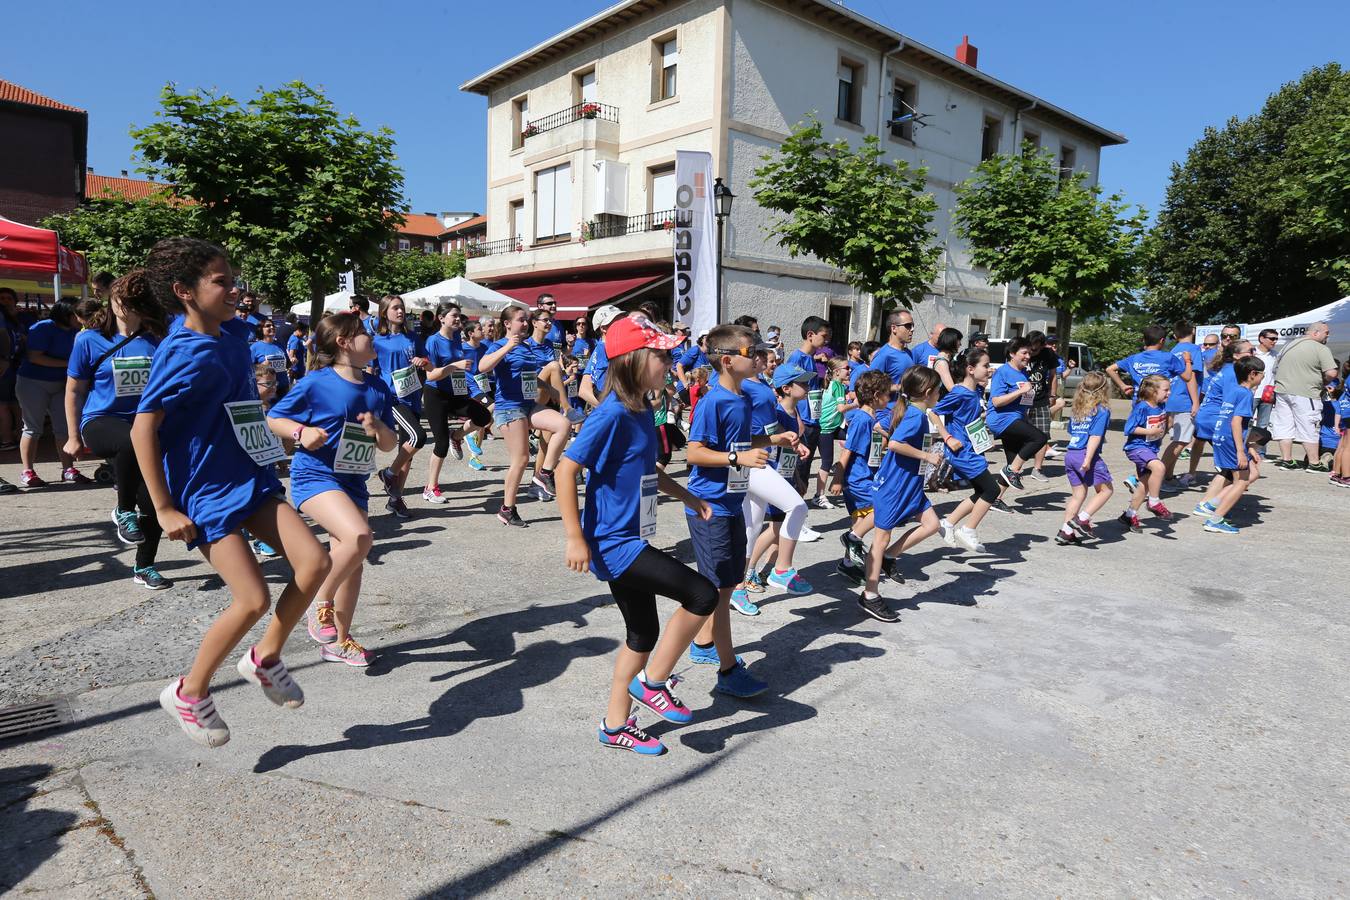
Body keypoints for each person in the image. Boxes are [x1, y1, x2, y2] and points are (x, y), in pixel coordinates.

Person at [133, 237, 330, 748]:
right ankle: (189, 692)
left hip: (250, 476)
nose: (234, 288)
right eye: (220, 281)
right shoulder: (182, 352)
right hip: (205, 491)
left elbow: (243, 408)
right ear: (184, 292)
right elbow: (141, 429)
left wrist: (281, 432)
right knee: (251, 597)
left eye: (232, 278)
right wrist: (162, 508)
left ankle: (265, 657)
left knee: (315, 563)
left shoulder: (233, 334)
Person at [555, 316, 719, 755]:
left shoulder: (643, 410)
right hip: (613, 543)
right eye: (661, 355)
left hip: (633, 538)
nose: (670, 362)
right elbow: (566, 469)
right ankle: (655, 682)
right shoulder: (610, 414)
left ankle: (614, 726)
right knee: (703, 595)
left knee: (641, 635)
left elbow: (649, 470)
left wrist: (687, 496)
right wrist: (575, 536)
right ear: (631, 361)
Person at [267, 312, 398, 666]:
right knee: (360, 537)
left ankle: (339, 641)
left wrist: (378, 428)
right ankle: (319, 602)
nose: (371, 337)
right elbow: (273, 417)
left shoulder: (377, 387)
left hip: (353, 481)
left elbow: (388, 445)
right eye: (362, 333)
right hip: (316, 477)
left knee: (353, 563)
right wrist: (300, 433)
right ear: (343, 342)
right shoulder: (316, 383)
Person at [684, 323, 792, 699]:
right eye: (753, 353)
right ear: (728, 361)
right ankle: (725, 669)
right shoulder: (713, 401)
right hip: (709, 507)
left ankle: (704, 646)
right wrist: (737, 457)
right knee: (715, 591)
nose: (761, 358)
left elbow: (742, 443)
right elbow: (694, 452)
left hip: (731, 502)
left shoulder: (744, 397)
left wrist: (772, 439)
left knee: (725, 587)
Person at [63, 270, 169, 586]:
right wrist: (72, 436)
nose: (122, 306)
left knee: (153, 501)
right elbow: (73, 390)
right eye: (117, 300)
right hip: (100, 421)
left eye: (130, 302)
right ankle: (123, 510)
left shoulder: (155, 340)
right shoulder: (89, 339)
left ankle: (143, 567)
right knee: (130, 442)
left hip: (144, 425)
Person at [862, 366, 949, 622]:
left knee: (932, 524)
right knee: (880, 539)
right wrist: (926, 456)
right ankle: (869, 595)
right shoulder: (914, 416)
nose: (940, 393)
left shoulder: (917, 413)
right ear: (928, 392)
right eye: (938, 390)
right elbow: (895, 444)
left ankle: (890, 557)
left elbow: (885, 429)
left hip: (911, 485)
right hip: (894, 486)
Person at [478, 305, 571, 526]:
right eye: (521, 320)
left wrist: (548, 388)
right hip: (509, 408)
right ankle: (507, 509)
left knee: (563, 425)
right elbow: (482, 367)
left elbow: (528, 375)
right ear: (508, 324)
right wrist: (508, 346)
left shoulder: (527, 347)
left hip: (529, 405)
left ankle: (544, 474)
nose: (525, 323)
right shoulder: (499, 344)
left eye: (526, 320)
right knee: (520, 460)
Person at [733, 355, 812, 610]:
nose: (765, 359)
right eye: (753, 353)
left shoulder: (759, 389)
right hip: (752, 462)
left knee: (752, 527)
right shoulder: (746, 388)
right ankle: (781, 569)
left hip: (755, 460)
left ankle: (738, 588)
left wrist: (790, 444)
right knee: (798, 507)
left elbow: (769, 434)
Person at [421, 302, 494, 503]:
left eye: (459, 316)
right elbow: (431, 375)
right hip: (435, 394)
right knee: (441, 443)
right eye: (453, 315)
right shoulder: (433, 341)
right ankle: (430, 488)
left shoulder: (456, 340)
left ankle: (458, 436)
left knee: (483, 416)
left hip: (455, 393)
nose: (457, 319)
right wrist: (455, 366)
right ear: (441, 318)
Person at [17, 300, 89, 487]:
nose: (79, 319)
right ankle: (28, 471)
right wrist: (70, 365)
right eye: (76, 315)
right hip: (33, 382)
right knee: (32, 428)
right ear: (65, 315)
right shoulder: (42, 328)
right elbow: (35, 357)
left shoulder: (77, 331)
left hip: (62, 385)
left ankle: (68, 469)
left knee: (64, 429)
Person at [933, 348, 999, 552]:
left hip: (973, 448)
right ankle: (968, 529)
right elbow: (933, 412)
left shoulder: (975, 391)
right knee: (992, 489)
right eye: (985, 366)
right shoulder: (959, 393)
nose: (990, 369)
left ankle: (948, 523)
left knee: (982, 490)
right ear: (970, 369)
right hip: (960, 450)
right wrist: (948, 437)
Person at [371, 295, 430, 519]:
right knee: (419, 437)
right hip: (393, 398)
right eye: (395, 308)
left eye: (402, 308)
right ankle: (388, 473)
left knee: (407, 452)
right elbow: (370, 371)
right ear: (384, 312)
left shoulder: (412, 337)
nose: (400, 311)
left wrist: (422, 361)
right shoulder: (377, 341)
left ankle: (395, 500)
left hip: (413, 395)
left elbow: (425, 359)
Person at [832, 369, 891, 583]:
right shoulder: (860, 420)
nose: (889, 397)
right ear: (876, 396)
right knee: (882, 507)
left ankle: (848, 564)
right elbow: (847, 451)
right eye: (886, 393)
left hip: (868, 476)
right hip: (858, 480)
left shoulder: (870, 419)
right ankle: (852, 540)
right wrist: (838, 478)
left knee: (859, 521)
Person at [1198, 356, 1266, 534]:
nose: (1263, 377)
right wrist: (1240, 451)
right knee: (1242, 481)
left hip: (1221, 436)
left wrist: (1248, 446)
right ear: (1253, 374)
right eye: (1262, 374)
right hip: (1230, 440)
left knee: (1240, 478)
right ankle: (1215, 519)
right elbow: (1236, 423)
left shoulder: (1234, 391)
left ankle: (1213, 507)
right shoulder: (1245, 394)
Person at [1055, 372, 1114, 545]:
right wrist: (1088, 459)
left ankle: (1066, 531)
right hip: (1085, 454)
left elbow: (1072, 432)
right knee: (1106, 490)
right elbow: (1095, 436)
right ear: (1103, 390)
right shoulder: (1102, 411)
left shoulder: (1077, 409)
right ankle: (1082, 519)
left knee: (1078, 494)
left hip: (1071, 454)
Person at [1271, 322, 1337, 471]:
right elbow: (1332, 373)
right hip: (1306, 393)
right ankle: (1314, 463)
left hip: (1282, 390)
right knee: (1309, 426)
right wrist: (1324, 381)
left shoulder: (1289, 345)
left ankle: (1286, 460)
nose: (1328, 335)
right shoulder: (1321, 348)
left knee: (1284, 426)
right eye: (1326, 332)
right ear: (1315, 333)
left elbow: (1275, 367)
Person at [985, 337, 1047, 494]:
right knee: (1039, 438)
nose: (1028, 356)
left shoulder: (1024, 373)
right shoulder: (1003, 372)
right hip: (1001, 419)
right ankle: (1011, 470)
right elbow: (997, 401)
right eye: (1024, 353)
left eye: (1029, 353)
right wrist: (1020, 391)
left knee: (1013, 463)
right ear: (1012, 353)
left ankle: (995, 498)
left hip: (1015, 419)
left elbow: (1022, 401)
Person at [1189, 340, 1254, 486]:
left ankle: (1213, 495)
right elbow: (1230, 402)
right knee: (1241, 469)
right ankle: (1215, 501)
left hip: (1207, 418)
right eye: (1250, 351)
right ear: (1236, 355)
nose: (1253, 353)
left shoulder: (1229, 368)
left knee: (1233, 467)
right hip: (1214, 419)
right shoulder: (1233, 373)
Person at [786, 315, 833, 507]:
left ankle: (798, 511)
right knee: (797, 468)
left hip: (813, 419)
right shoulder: (797, 358)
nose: (827, 340)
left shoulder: (811, 359)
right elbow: (787, 391)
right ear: (810, 335)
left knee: (804, 469)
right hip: (802, 421)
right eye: (824, 335)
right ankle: (791, 510)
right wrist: (797, 418)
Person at [1118, 375, 1173, 533]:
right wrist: (1150, 431)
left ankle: (1129, 515)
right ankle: (1154, 502)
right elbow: (1129, 428)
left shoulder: (1161, 406)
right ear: (1152, 391)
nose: (1169, 393)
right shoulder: (1142, 407)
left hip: (1151, 449)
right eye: (1166, 390)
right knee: (1159, 468)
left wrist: (1167, 425)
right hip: (1136, 447)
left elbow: (1161, 425)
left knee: (1144, 484)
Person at [1161, 322, 1203, 487]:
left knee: (1177, 439)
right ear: (1193, 331)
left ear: (1175, 335)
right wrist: (1195, 402)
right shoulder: (1193, 349)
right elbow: (1191, 375)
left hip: (1172, 398)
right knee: (1181, 441)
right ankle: (1155, 476)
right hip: (1185, 399)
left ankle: (1168, 476)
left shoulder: (1173, 350)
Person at [578, 305, 624, 409]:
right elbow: (589, 390)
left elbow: (583, 391)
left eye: (622, 320)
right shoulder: (605, 349)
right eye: (616, 322)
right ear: (603, 328)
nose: (622, 324)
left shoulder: (601, 347)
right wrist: (607, 410)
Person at [869, 310, 918, 393]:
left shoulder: (908, 353)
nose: (912, 329)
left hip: (906, 405)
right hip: (889, 406)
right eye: (908, 326)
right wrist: (899, 387)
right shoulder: (883, 355)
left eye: (913, 325)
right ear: (894, 328)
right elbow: (870, 385)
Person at [249, 320, 291, 398]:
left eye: (273, 325)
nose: (272, 327)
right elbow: (249, 369)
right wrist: (261, 366)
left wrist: (292, 362)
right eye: (268, 326)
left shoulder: (280, 345)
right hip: (266, 389)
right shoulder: (255, 347)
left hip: (283, 387)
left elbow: (287, 364)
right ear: (261, 329)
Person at [1252, 327, 1279, 438]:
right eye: (1272, 338)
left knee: (1262, 425)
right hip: (1252, 393)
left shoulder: (1276, 355)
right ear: (1262, 339)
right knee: (1245, 422)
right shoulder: (1252, 353)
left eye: (1276, 339)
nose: (1274, 341)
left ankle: (1259, 452)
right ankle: (1241, 449)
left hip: (1268, 394)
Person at [1330, 360, 1350, 486]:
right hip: (1348, 413)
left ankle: (1337, 472)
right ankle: (1347, 476)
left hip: (1346, 414)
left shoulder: (1347, 378)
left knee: (1343, 445)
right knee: (1348, 447)